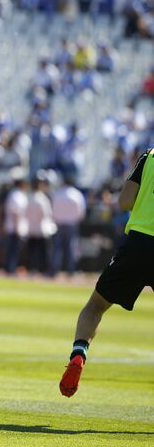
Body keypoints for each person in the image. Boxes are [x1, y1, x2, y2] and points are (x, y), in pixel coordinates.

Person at [60, 147, 154, 397]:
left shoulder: (149, 156)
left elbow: (124, 201)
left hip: (138, 244)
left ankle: (79, 353)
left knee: (96, 306)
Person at [50, 176, 86, 277]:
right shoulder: (76, 195)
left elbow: (52, 209)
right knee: (71, 247)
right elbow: (81, 212)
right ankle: (70, 271)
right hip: (71, 224)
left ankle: (54, 270)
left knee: (57, 248)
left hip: (58, 223)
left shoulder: (57, 193)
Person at [24, 176, 56, 275]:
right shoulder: (42, 199)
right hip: (42, 229)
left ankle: (32, 269)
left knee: (32, 251)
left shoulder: (28, 197)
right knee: (43, 252)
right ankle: (44, 270)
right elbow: (47, 214)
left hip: (31, 228)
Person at [3, 178, 28, 274]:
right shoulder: (17, 195)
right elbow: (16, 212)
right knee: (12, 250)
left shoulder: (14, 194)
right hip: (15, 227)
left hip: (13, 227)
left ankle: (10, 268)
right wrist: (18, 228)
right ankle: (11, 269)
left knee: (12, 250)